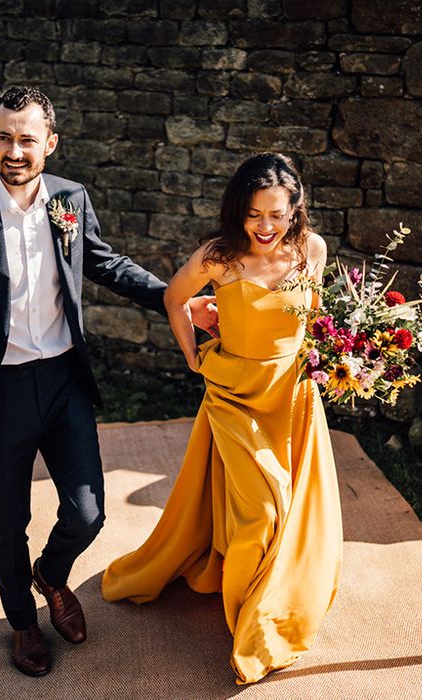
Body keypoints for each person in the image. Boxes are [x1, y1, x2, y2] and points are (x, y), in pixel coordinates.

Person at [0, 85, 217, 678]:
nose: (15, 150)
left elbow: (103, 263)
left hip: (63, 381)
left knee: (87, 513)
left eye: (27, 139)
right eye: (4, 137)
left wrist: (179, 303)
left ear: (50, 142)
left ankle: (51, 575)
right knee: (8, 520)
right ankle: (23, 622)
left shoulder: (69, 201)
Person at [102, 152, 343, 685]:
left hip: (293, 397)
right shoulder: (219, 256)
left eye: (277, 214)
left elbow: (315, 317)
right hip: (234, 396)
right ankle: (249, 621)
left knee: (286, 508)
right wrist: (193, 356)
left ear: (295, 210)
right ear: (239, 211)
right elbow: (173, 298)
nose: (265, 226)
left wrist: (337, 360)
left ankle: (272, 601)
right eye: (255, 214)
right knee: (260, 509)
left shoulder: (311, 249)